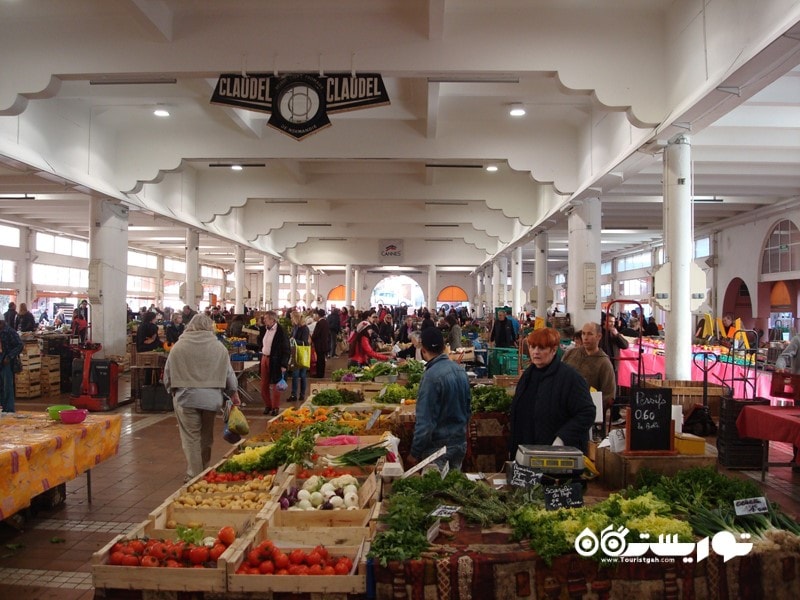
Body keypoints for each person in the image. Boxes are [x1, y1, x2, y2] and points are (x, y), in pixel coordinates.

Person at [163, 313, 241, 482]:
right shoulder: (219, 347)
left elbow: (167, 375)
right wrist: (233, 392)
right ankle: (204, 470)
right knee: (206, 437)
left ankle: (194, 475)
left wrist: (171, 390)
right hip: (211, 399)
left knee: (191, 438)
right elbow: (229, 374)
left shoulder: (179, 347)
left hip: (185, 397)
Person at [508, 327, 596, 457]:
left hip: (557, 455)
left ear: (554, 350)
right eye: (532, 347)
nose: (535, 352)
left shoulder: (570, 378)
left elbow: (587, 413)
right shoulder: (528, 375)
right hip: (527, 451)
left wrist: (561, 439)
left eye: (542, 348)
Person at [407, 327, 471, 470]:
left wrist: (414, 452)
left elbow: (425, 423)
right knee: (454, 489)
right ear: (443, 347)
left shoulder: (431, 377)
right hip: (459, 444)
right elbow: (468, 409)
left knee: (436, 490)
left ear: (423, 350)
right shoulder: (460, 370)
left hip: (438, 449)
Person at [562, 322, 616, 426]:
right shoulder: (571, 353)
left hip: (586, 412)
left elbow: (609, 395)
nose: (585, 338)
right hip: (564, 406)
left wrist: (591, 407)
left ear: (598, 336)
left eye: (590, 334)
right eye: (583, 334)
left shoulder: (604, 363)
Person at [256, 310, 291, 416]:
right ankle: (268, 405)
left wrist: (284, 364)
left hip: (275, 360)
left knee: (276, 385)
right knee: (263, 384)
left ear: (272, 319)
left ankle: (275, 407)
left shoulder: (281, 332)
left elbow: (286, 349)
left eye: (266, 318)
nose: (264, 320)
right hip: (264, 358)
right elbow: (261, 343)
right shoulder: (264, 330)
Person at [600, 312, 629, 426]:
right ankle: (601, 417)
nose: (612, 324)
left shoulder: (615, 334)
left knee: (614, 391)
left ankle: (615, 416)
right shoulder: (600, 334)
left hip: (614, 366)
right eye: (609, 322)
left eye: (613, 322)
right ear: (604, 322)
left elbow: (625, 345)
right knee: (603, 391)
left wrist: (617, 335)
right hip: (603, 366)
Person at [0, 317, 24, 412]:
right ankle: (3, 407)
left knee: (7, 386)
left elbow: (20, 345)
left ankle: (9, 410)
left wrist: (9, 357)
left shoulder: (9, 331)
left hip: (6, 362)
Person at [289, 311, 310, 403]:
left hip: (302, 353)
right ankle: (294, 394)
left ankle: (301, 394)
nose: (291, 319)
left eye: (292, 318)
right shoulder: (295, 327)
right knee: (296, 375)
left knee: (301, 375)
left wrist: (295, 340)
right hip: (295, 352)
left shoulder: (304, 328)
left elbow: (305, 342)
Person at [310, 308, 330, 379]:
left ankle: (319, 374)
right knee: (322, 360)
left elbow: (316, 334)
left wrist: (312, 338)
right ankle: (321, 373)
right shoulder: (326, 322)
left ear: (318, 315)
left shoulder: (319, 323)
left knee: (319, 360)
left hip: (319, 344)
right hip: (324, 344)